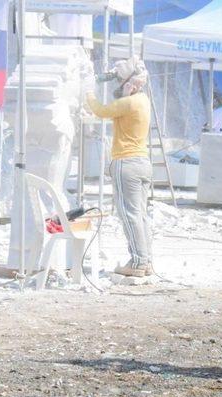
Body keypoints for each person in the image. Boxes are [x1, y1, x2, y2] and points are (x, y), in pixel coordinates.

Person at [84, 56, 153, 278]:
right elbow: (122, 114)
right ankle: (146, 260)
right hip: (142, 161)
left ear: (131, 82)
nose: (117, 84)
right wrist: (124, 93)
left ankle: (138, 262)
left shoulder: (129, 102)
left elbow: (101, 110)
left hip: (127, 163)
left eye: (121, 81)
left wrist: (88, 92)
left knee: (129, 215)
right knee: (140, 215)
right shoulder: (142, 100)